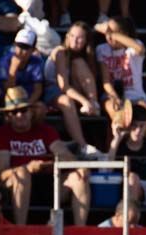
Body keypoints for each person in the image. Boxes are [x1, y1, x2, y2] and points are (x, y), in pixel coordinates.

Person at [0, 87, 86, 225]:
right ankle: (20, 230)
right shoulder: (1, 135)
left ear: (31, 112)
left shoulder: (46, 131)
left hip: (49, 184)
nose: (19, 115)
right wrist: (28, 168)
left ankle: (81, 231)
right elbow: (3, 173)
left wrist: (51, 164)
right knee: (22, 174)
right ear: (8, 116)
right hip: (17, 186)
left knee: (80, 174)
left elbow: (67, 157)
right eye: (14, 112)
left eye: (23, 110)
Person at [46, 21, 102, 156]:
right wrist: (84, 101)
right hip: (51, 90)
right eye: (71, 36)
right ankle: (83, 146)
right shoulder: (60, 52)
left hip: (70, 89)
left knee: (79, 63)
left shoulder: (79, 58)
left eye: (79, 38)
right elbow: (63, 86)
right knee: (67, 101)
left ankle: (94, 103)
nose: (74, 41)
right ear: (66, 36)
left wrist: (89, 100)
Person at [95, 16, 146, 121]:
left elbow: (140, 49)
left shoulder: (134, 46)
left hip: (136, 96)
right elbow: (106, 81)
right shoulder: (102, 49)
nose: (110, 37)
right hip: (112, 94)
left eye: (114, 33)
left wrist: (114, 35)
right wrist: (114, 96)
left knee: (145, 114)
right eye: (107, 33)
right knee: (116, 111)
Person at [0, 27, 45, 99]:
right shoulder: (5, 60)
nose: (20, 51)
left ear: (33, 50)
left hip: (28, 96)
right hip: (8, 98)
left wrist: (27, 105)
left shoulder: (36, 62)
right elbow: (7, 88)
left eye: (25, 47)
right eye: (18, 46)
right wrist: (13, 68)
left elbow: (37, 90)